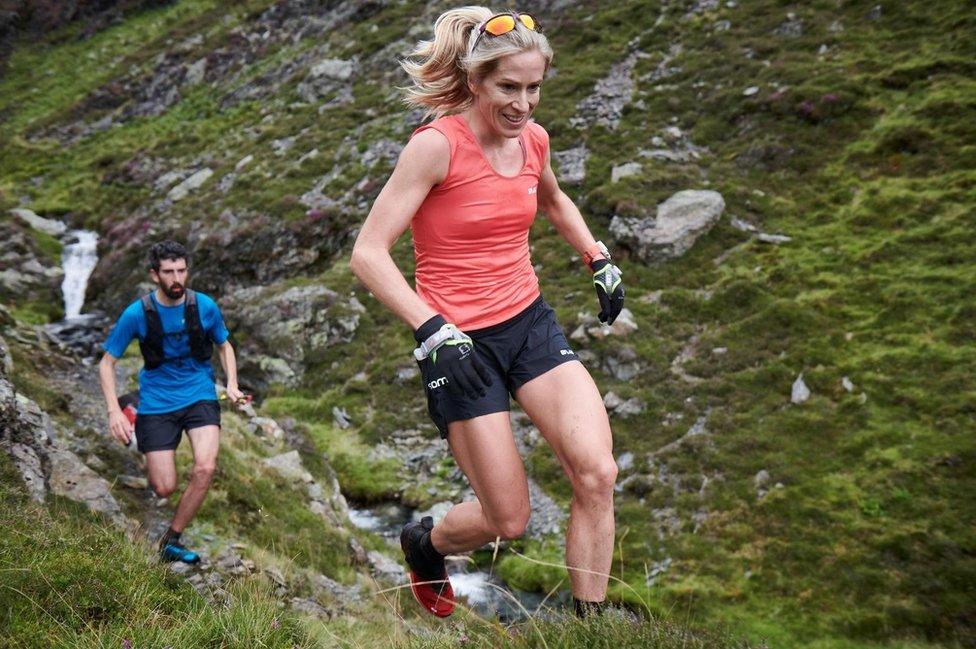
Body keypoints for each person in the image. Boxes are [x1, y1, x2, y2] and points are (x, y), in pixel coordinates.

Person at [350, 7, 625, 618]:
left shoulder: (534, 140)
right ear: (475, 82)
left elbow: (552, 199)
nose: (523, 104)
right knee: (510, 519)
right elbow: (368, 254)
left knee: (597, 474)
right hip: (458, 343)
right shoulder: (435, 148)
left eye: (534, 88)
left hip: (528, 324)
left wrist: (596, 257)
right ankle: (426, 544)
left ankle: (591, 630)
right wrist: (430, 327)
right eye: (508, 87)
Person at [98, 240, 245, 563]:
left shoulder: (204, 305)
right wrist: (112, 412)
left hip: (199, 395)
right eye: (168, 272)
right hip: (156, 402)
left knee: (205, 468)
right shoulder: (137, 314)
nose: (176, 278)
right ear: (155, 275)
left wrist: (232, 384)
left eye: (181, 270)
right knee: (163, 488)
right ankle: (130, 410)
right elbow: (106, 362)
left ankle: (170, 540)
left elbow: (224, 345)